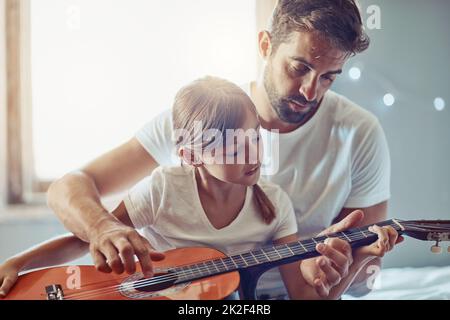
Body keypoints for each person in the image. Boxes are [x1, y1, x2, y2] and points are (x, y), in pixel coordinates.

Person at [45, 0, 397, 299]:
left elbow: (366, 279)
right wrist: (102, 228)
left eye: (328, 77)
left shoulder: (360, 133)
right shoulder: (203, 116)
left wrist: (342, 263)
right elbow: (69, 186)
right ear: (265, 45)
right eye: (299, 68)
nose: (310, 91)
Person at [0, 77, 399, 299]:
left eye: (256, 138)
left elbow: (304, 296)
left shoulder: (275, 205)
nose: (253, 154)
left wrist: (356, 262)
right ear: (191, 156)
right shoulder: (162, 189)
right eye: (232, 145)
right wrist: (18, 263)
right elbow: (85, 238)